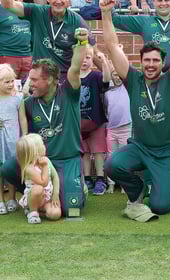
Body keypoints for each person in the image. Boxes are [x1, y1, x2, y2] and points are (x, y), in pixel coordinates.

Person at [101, 0, 170, 220]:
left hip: (167, 153)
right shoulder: (133, 80)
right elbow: (112, 46)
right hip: (141, 148)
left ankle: (161, 187)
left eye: (155, 61)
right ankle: (137, 190)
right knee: (112, 164)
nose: (151, 65)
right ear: (141, 62)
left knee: (161, 206)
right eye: (147, 61)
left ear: (162, 63)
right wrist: (105, 14)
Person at [1, 29, 91, 217]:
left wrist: (82, 44)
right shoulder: (28, 103)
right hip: (40, 162)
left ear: (49, 79)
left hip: (67, 160)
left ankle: (77, 186)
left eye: (34, 80)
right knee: (9, 168)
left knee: (71, 210)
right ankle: (37, 194)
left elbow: (75, 68)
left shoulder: (68, 92)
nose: (29, 83)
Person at [0, 0, 95, 78]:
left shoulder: (77, 20)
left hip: (63, 78)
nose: (58, 1)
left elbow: (93, 50)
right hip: (39, 77)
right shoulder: (37, 12)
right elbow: (8, 4)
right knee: (26, 90)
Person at [79, 47, 110, 195]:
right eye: (82, 57)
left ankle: (100, 179)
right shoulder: (72, 76)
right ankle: (87, 178)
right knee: (84, 151)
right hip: (79, 122)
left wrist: (103, 61)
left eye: (88, 57)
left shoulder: (96, 76)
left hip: (96, 120)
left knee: (98, 151)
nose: (84, 60)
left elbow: (106, 80)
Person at [16, 133, 61, 224]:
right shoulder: (29, 168)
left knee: (55, 214)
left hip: (47, 198)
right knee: (38, 189)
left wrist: (55, 194)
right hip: (34, 198)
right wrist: (44, 166)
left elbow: (55, 176)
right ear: (35, 151)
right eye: (42, 145)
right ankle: (33, 211)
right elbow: (43, 182)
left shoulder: (46, 160)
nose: (44, 146)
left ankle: (39, 212)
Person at [0, 64, 27, 214]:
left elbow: (22, 118)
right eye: (6, 82)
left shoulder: (18, 98)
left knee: (11, 167)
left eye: (12, 81)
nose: (11, 84)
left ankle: (11, 198)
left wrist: (24, 136)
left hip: (13, 139)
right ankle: (0, 200)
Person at [104, 61, 132, 194]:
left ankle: (124, 185)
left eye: (119, 75)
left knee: (124, 156)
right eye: (114, 74)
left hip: (126, 128)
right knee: (111, 156)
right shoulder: (107, 89)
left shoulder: (126, 87)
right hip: (111, 129)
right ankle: (111, 183)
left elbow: (126, 70)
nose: (117, 77)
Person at [0, 0, 32, 79]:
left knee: (26, 89)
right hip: (8, 56)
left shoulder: (27, 9)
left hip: (27, 57)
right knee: (8, 87)